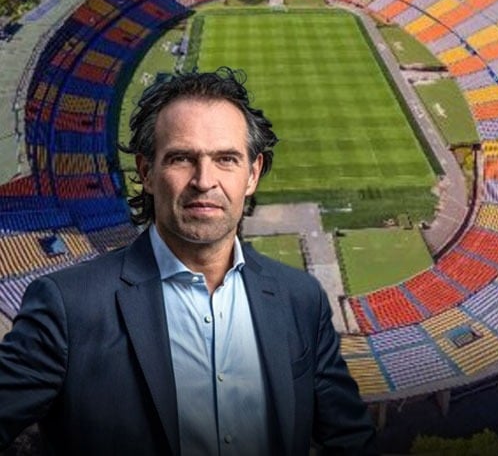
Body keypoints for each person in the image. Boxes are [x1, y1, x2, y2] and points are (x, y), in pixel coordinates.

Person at [0, 67, 376, 455]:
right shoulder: (68, 305)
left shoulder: (300, 299)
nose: (204, 180)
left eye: (226, 159)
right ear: (147, 172)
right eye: (182, 158)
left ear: (252, 173)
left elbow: (351, 441)